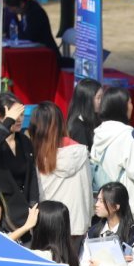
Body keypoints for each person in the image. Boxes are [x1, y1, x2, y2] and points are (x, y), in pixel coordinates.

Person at [91, 84, 134, 240]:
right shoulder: (127, 135)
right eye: (129, 102)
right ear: (121, 107)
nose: (132, 106)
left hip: (109, 204)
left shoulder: (98, 134)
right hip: (131, 205)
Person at [29, 101, 91, 241]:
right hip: (77, 224)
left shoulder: (37, 156)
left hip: (47, 223)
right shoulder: (80, 152)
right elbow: (86, 189)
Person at [0, 92, 38, 227]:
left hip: (23, 211)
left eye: (21, 115)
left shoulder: (24, 141)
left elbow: (32, 175)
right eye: (14, 117)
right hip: (0, 212)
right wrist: (8, 121)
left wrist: (33, 204)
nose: (19, 120)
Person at [65, 76, 100, 149]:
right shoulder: (78, 126)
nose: (102, 101)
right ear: (87, 99)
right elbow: (83, 154)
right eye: (98, 97)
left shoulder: (93, 120)